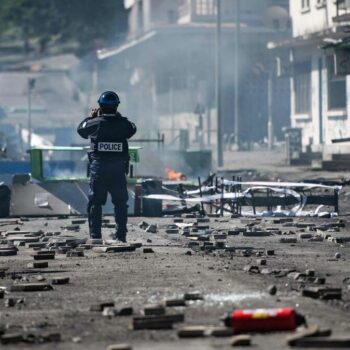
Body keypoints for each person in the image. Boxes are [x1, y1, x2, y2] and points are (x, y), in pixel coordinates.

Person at [77, 91, 137, 242]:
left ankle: (96, 235)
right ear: (116, 107)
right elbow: (132, 129)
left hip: (99, 170)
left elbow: (81, 129)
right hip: (117, 170)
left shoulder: (95, 123)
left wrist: (91, 117)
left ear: (100, 107)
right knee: (120, 203)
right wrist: (118, 117)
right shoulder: (123, 124)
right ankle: (121, 235)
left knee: (95, 202)